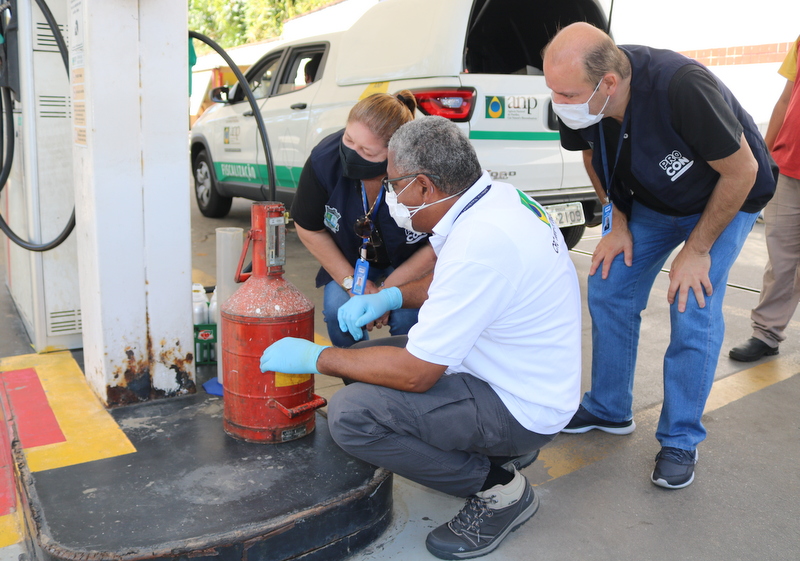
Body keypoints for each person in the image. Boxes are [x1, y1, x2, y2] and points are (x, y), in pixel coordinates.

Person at [261, 116, 582, 559]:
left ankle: (500, 489)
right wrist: (389, 297)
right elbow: (448, 284)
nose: (390, 196)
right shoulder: (493, 200)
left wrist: (318, 357)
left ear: (425, 186)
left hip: (522, 403)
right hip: (504, 365)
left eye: (394, 184)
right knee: (363, 364)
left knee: (352, 415)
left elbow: (416, 375)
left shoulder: (481, 242)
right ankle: (488, 456)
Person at [543, 23, 777, 489]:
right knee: (609, 285)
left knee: (691, 301)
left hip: (724, 199)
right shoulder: (584, 97)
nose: (559, 104)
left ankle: (680, 439)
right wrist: (617, 220)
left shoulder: (681, 87)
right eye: (553, 91)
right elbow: (592, 155)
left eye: (567, 94)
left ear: (609, 83)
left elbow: (743, 171)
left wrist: (698, 249)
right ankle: (609, 408)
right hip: (649, 201)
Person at [291, 92, 435, 348]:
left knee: (408, 318)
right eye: (348, 140)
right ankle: (356, 380)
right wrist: (351, 282)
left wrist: (386, 295)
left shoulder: (422, 172)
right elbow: (308, 227)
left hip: (413, 262)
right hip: (353, 260)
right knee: (339, 312)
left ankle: (407, 379)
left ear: (394, 154)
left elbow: (438, 243)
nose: (351, 153)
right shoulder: (324, 160)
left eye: (366, 152)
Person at [730, 35, 800, 362]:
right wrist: (765, 156)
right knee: (781, 257)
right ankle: (766, 334)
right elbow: (786, 99)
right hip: (789, 166)